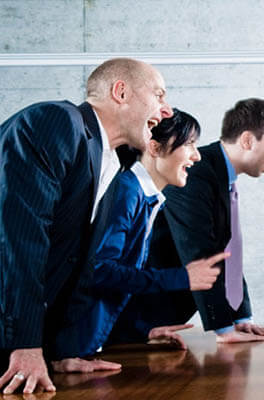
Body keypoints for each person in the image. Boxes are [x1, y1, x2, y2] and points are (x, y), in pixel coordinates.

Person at [0, 57, 173, 394]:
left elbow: (74, 264)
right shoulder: (56, 122)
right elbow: (20, 241)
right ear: (120, 92)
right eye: (159, 95)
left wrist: (60, 351)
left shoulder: (113, 161)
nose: (166, 110)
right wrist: (26, 345)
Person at [108, 98, 264, 344]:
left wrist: (241, 317)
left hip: (150, 326)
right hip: (134, 316)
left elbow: (228, 251)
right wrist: (223, 328)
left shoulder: (219, 176)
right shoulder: (193, 174)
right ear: (248, 140)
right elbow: (199, 251)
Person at [51, 109, 228, 360]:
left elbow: (115, 289)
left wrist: (144, 331)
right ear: (154, 148)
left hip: (89, 347)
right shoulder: (126, 192)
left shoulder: (145, 197)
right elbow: (99, 271)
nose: (197, 156)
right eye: (189, 144)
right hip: (70, 350)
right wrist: (182, 277)